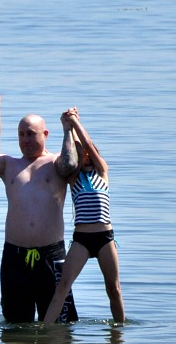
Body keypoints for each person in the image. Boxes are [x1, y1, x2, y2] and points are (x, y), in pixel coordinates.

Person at [0, 89, 80, 323]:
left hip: (51, 256)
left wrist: (70, 128)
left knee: (59, 326)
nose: (25, 140)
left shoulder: (57, 163)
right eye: (21, 134)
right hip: (15, 257)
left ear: (45, 134)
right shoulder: (8, 165)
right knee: (14, 326)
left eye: (31, 134)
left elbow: (71, 164)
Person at [43, 107, 125, 324]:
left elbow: (88, 145)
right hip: (82, 239)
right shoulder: (73, 179)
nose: (87, 157)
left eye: (90, 155)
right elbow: (70, 158)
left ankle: (119, 334)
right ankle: (44, 332)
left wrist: (75, 121)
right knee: (63, 286)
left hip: (105, 238)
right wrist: (66, 128)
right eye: (83, 156)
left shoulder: (102, 172)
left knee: (113, 288)